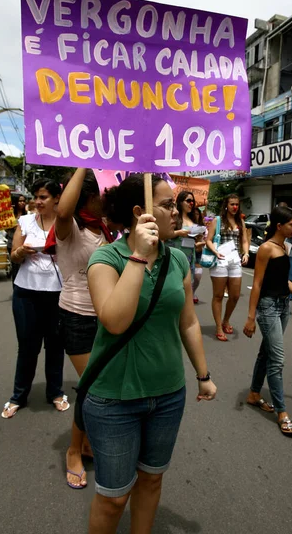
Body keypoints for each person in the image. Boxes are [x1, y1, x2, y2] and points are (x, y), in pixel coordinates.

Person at [80, 174, 217, 534]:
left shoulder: (177, 261)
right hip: (114, 400)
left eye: (176, 205)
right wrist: (139, 255)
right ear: (140, 212)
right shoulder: (105, 258)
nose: (178, 212)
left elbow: (187, 321)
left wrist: (203, 376)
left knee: (151, 481)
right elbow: (114, 321)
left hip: (168, 396)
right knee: (112, 499)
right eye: (169, 205)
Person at [53, 168, 113, 489]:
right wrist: (83, 160)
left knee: (98, 388)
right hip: (76, 317)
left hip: (105, 319)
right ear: (89, 198)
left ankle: (87, 442)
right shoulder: (70, 228)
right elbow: (63, 209)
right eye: (102, 194)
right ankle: (73, 450)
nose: (106, 200)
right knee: (92, 388)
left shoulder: (104, 230)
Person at [243, 206, 292, 436]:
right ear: (279, 226)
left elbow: (285, 281)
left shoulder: (284, 247)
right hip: (268, 308)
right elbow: (257, 284)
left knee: (266, 353)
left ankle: (254, 394)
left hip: (283, 306)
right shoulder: (266, 249)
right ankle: (282, 412)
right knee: (277, 359)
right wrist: (250, 317)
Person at [1, 179, 68, 419]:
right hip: (26, 293)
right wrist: (21, 252)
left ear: (57, 199)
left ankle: (56, 393)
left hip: (58, 294)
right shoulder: (25, 221)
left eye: (43, 197)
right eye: (36, 197)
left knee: (55, 346)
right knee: (27, 347)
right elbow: (14, 257)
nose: (37, 202)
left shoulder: (66, 223)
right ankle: (18, 396)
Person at [206, 194, 249, 341]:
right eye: (232, 204)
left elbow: (244, 241)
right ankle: (219, 327)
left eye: (237, 204)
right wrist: (215, 251)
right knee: (218, 295)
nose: (235, 207)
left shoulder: (241, 221)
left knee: (235, 295)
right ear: (226, 205)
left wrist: (246, 253)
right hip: (220, 260)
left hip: (235, 260)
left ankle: (226, 320)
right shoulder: (217, 221)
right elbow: (209, 240)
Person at [166, 190, 197, 281]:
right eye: (188, 201)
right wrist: (179, 233)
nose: (191, 203)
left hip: (190, 255)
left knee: (187, 284)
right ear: (180, 202)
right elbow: (164, 235)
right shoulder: (173, 216)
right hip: (174, 255)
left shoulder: (193, 218)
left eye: (193, 201)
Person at [6, 194, 27, 284]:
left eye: (23, 201)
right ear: (15, 202)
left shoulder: (28, 215)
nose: (22, 203)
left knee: (24, 267)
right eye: (20, 201)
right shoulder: (10, 215)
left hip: (25, 245)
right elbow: (6, 229)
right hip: (12, 244)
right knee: (16, 268)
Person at [192, 207, 206, 304]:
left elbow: (207, 240)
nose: (196, 215)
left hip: (198, 252)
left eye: (197, 214)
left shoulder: (202, 227)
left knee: (197, 276)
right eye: (194, 213)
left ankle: (192, 292)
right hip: (187, 251)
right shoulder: (185, 224)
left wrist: (200, 243)